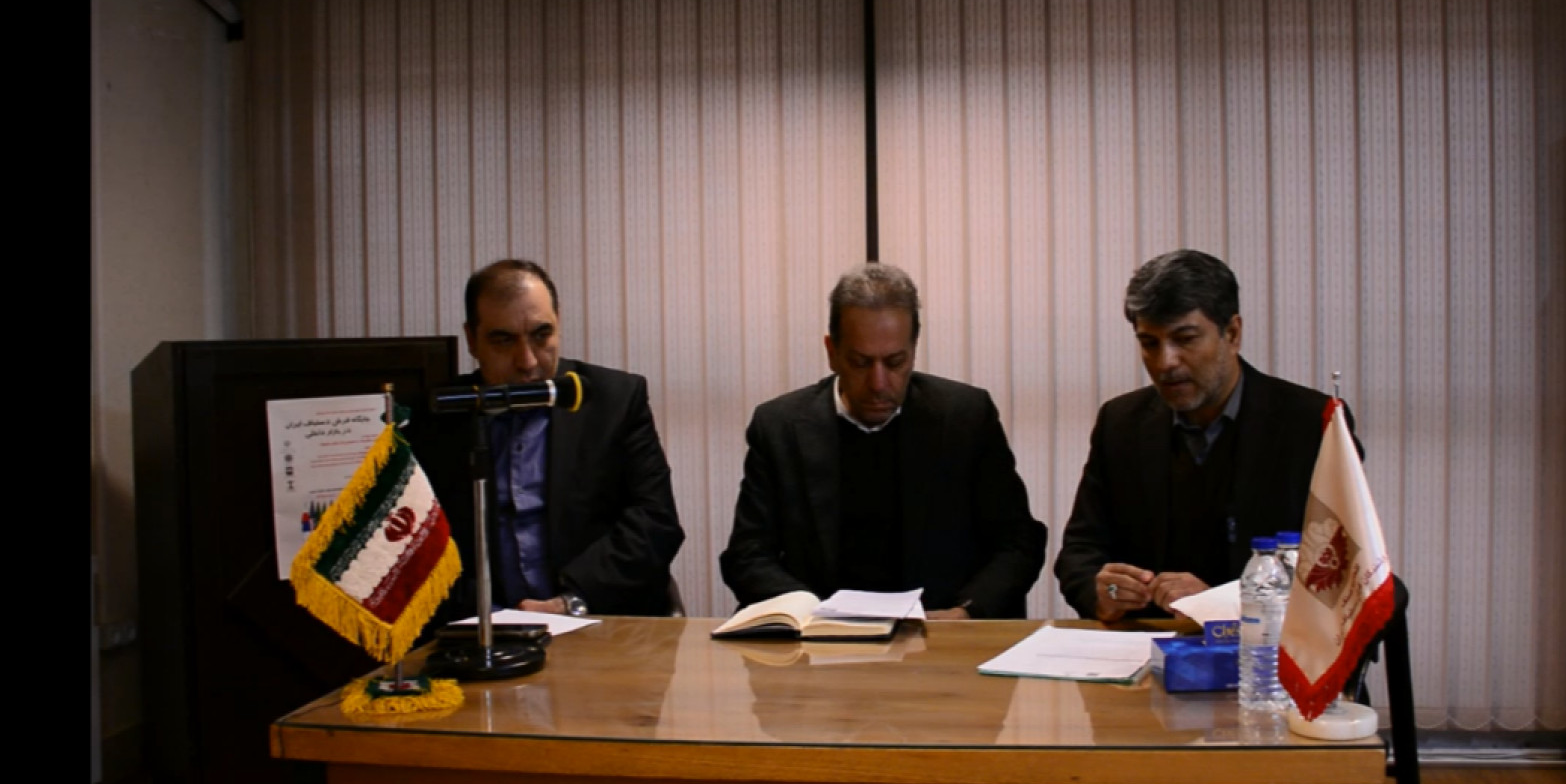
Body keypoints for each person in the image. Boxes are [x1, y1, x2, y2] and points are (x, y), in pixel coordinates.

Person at [719, 263, 1046, 619]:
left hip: (939, 634)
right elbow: (748, 555)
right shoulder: (779, 426)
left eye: (895, 362)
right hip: (819, 636)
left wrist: (965, 612)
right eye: (860, 363)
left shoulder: (965, 418)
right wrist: (806, 611)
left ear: (913, 350)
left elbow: (1017, 542)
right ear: (832, 352)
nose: (878, 383)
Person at [1055, 249, 1358, 622]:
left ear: (1232, 333)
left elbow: (1344, 573)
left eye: (1185, 339)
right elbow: (1080, 552)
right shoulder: (1120, 423)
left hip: (1265, 645)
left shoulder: (1314, 424)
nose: (1166, 362)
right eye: (1149, 343)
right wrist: (1104, 592)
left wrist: (1221, 603)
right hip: (1146, 643)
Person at [424, 259, 684, 619]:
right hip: (483, 625)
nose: (527, 361)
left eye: (541, 335)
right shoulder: (436, 417)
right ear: (472, 339)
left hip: (596, 619)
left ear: (558, 323)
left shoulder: (615, 400)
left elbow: (655, 522)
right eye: (504, 340)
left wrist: (570, 601)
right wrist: (490, 615)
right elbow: (422, 551)